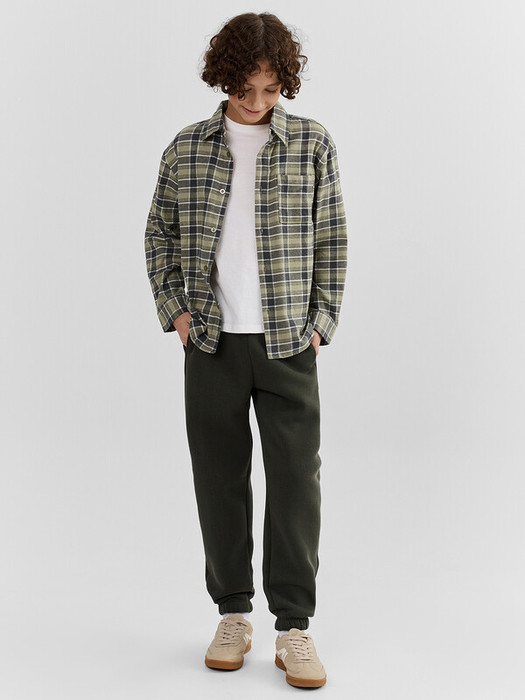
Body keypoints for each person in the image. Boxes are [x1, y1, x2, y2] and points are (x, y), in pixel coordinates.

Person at [144, 12, 347, 689]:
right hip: (211, 344)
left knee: (295, 484)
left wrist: (320, 321)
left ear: (284, 82)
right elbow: (158, 234)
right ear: (222, 81)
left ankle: (294, 628)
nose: (257, 102)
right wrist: (176, 312)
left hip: (289, 343)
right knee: (219, 480)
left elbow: (332, 238)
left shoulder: (312, 144)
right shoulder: (186, 148)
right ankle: (232, 614)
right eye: (243, 90)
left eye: (269, 89)